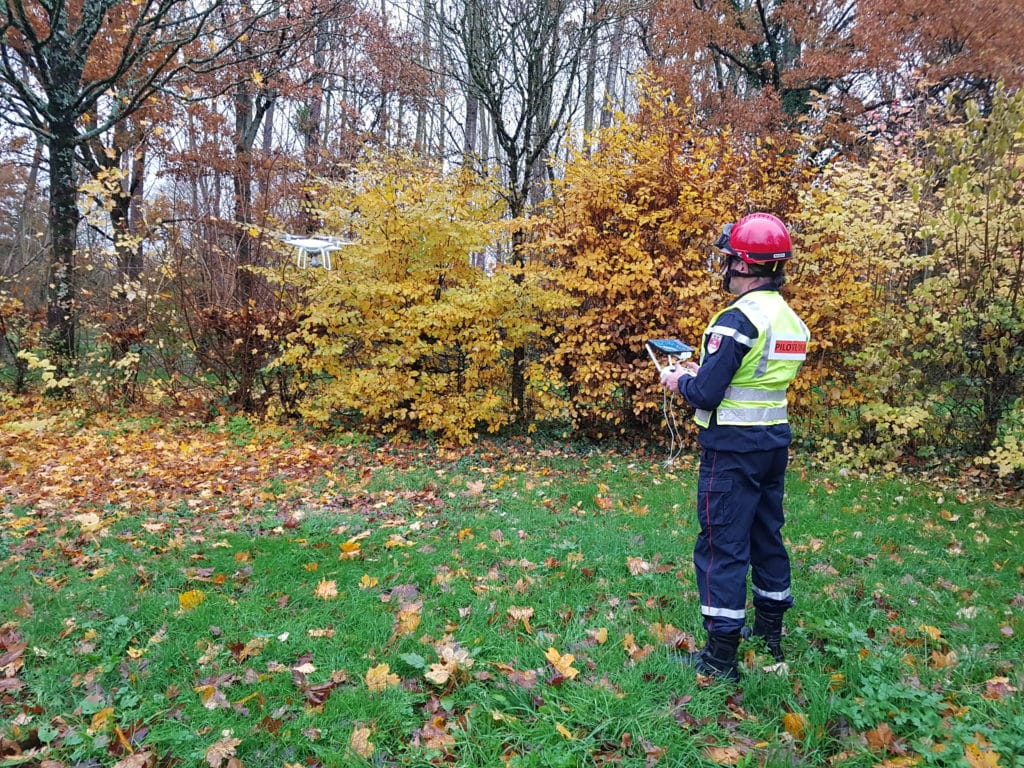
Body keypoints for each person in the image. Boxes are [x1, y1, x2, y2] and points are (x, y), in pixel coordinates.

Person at [659, 212, 810, 682]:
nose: (723, 267)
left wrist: (678, 380)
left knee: (722, 545)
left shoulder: (737, 319)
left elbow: (706, 393)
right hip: (772, 443)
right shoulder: (791, 321)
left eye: (728, 259)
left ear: (744, 265)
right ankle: (769, 634)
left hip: (731, 449)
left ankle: (720, 657)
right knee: (767, 538)